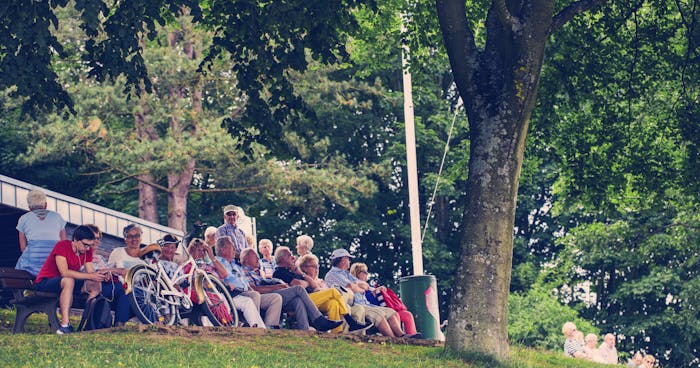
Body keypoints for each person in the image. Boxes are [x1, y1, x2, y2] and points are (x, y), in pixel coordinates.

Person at [239, 248, 342, 332]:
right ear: (246, 259)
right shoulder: (244, 271)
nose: (258, 258)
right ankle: (319, 319)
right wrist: (277, 286)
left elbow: (313, 285)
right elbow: (254, 289)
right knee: (298, 289)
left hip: (276, 294)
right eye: (255, 257)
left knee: (298, 300)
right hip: (266, 295)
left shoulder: (257, 272)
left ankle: (304, 329)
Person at [273, 247, 371, 333]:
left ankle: (336, 333)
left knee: (333, 303)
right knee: (333, 291)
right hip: (302, 301)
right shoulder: (280, 272)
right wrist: (304, 277)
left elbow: (314, 286)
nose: (293, 257)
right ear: (283, 258)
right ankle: (350, 321)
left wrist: (306, 279)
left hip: (312, 299)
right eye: (290, 255)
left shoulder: (294, 272)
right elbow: (299, 285)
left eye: (317, 266)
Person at [324, 248, 419, 338]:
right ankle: (394, 340)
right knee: (379, 314)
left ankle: (402, 335)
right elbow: (352, 287)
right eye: (348, 259)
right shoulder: (333, 274)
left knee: (392, 313)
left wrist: (364, 287)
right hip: (354, 305)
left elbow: (365, 286)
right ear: (343, 260)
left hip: (365, 304)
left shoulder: (346, 274)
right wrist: (360, 287)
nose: (349, 261)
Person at [34, 225, 109, 334]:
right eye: (85, 245)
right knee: (69, 279)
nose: (87, 248)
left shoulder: (87, 251)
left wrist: (100, 275)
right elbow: (64, 272)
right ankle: (65, 325)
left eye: (90, 246)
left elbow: (90, 272)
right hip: (46, 282)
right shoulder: (62, 245)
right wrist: (91, 276)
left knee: (95, 284)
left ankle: (87, 322)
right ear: (75, 239)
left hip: (67, 283)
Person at [215, 236, 282, 329]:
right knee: (254, 295)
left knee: (276, 298)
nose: (235, 249)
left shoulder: (235, 264)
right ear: (223, 249)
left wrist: (250, 288)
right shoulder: (218, 262)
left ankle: (269, 327)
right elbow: (222, 277)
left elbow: (246, 283)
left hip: (247, 292)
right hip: (234, 294)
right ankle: (255, 326)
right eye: (232, 246)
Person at [349, 262, 417, 335]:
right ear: (357, 273)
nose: (367, 274)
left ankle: (402, 335)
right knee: (381, 314)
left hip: (373, 306)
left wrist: (380, 290)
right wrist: (374, 293)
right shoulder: (353, 283)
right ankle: (393, 339)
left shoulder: (368, 286)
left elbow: (370, 289)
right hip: (364, 307)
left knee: (394, 313)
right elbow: (365, 290)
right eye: (364, 272)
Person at [85, 224, 132, 327]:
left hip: (107, 285)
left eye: (98, 238)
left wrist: (109, 272)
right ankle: (119, 324)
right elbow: (84, 272)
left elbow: (111, 271)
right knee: (123, 289)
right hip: (92, 286)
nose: (96, 241)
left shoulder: (100, 258)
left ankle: (119, 323)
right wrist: (104, 272)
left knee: (127, 288)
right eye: (93, 238)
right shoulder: (82, 255)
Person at [15, 189, 67, 276]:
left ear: (29, 207)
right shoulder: (57, 217)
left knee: (20, 264)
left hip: (33, 263)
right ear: (46, 205)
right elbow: (63, 244)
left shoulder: (24, 218)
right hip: (53, 262)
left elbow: (23, 248)